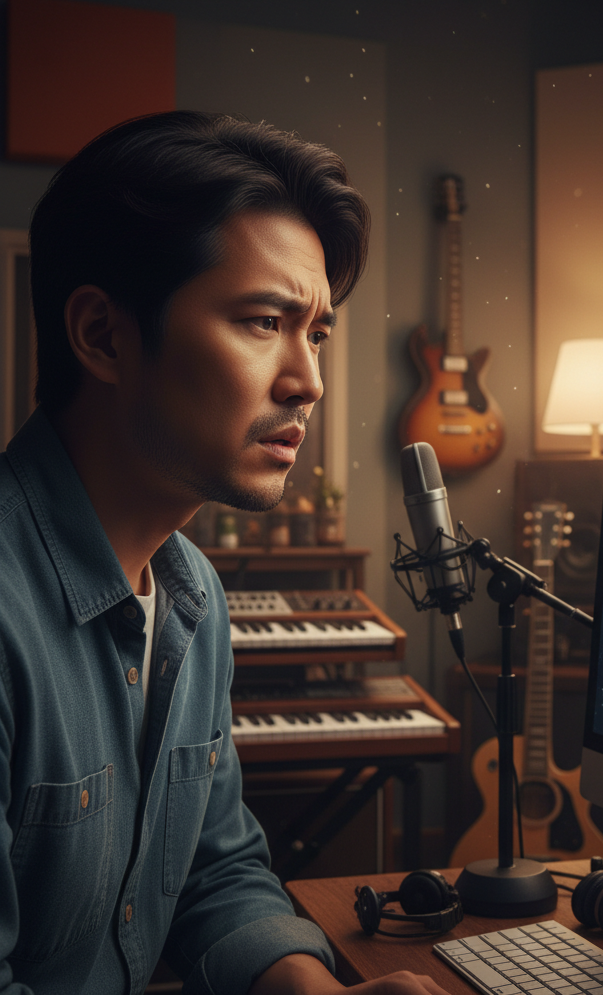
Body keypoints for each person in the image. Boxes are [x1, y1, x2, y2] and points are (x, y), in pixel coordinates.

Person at [0, 111, 450, 995]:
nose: (309, 380)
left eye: (314, 332)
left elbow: (214, 872)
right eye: (261, 321)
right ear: (102, 336)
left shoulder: (192, 593)